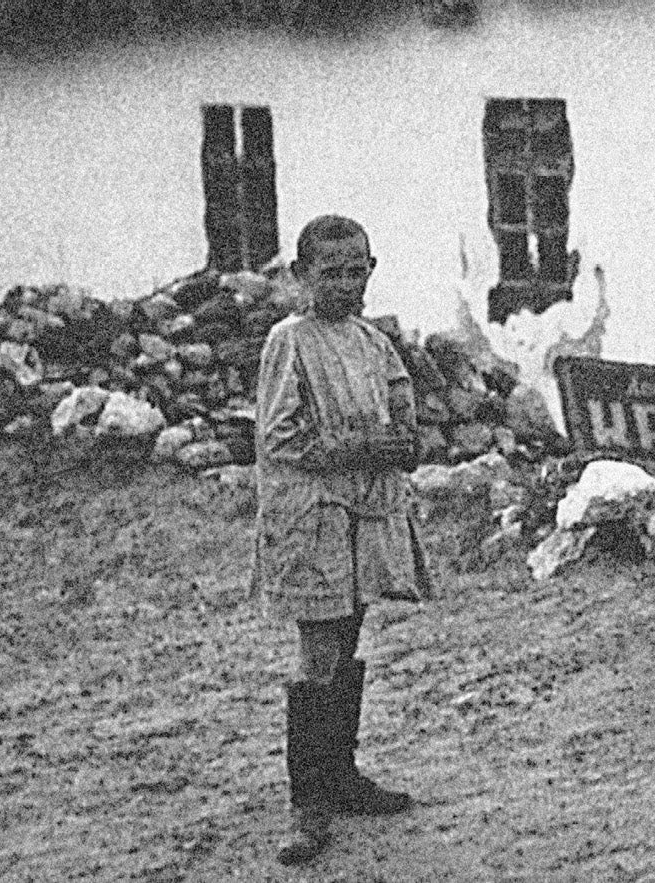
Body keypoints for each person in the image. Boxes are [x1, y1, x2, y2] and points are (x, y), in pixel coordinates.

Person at [253, 215, 436, 867]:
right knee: (319, 650)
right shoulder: (290, 342)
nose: (345, 283)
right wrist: (360, 444)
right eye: (330, 272)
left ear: (372, 269)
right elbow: (277, 439)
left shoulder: (373, 343)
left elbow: (408, 426)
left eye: (356, 270)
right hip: (312, 516)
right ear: (301, 276)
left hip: (363, 514)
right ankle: (308, 805)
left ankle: (342, 776)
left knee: (350, 631)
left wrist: (405, 443)